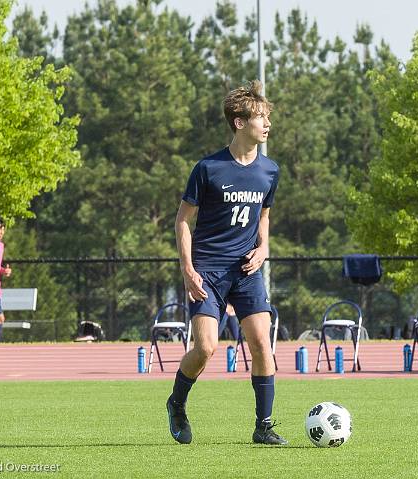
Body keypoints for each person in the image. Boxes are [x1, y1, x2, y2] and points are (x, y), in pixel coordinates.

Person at [166, 80, 284, 445]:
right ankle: (177, 403)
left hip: (247, 271)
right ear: (239, 123)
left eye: (267, 118)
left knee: (262, 342)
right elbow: (182, 220)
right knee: (206, 348)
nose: (267, 125)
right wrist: (187, 269)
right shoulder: (208, 168)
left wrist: (263, 249)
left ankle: (263, 427)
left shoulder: (270, 171)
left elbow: (263, 216)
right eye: (261, 118)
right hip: (208, 271)